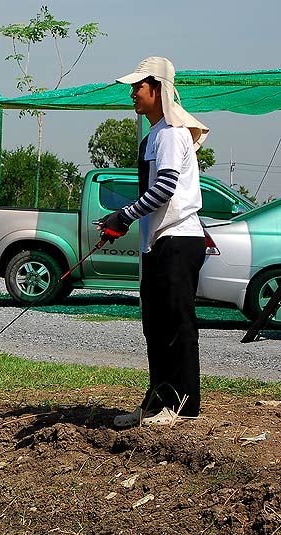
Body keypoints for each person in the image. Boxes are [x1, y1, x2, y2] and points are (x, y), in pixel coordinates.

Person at [101, 57, 209, 428]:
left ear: (157, 89)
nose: (132, 93)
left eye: (138, 87)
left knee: (177, 325)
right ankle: (157, 401)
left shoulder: (172, 133)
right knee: (156, 326)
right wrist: (123, 220)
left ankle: (184, 406)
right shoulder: (153, 135)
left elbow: (164, 189)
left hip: (179, 240)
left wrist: (123, 215)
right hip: (159, 243)